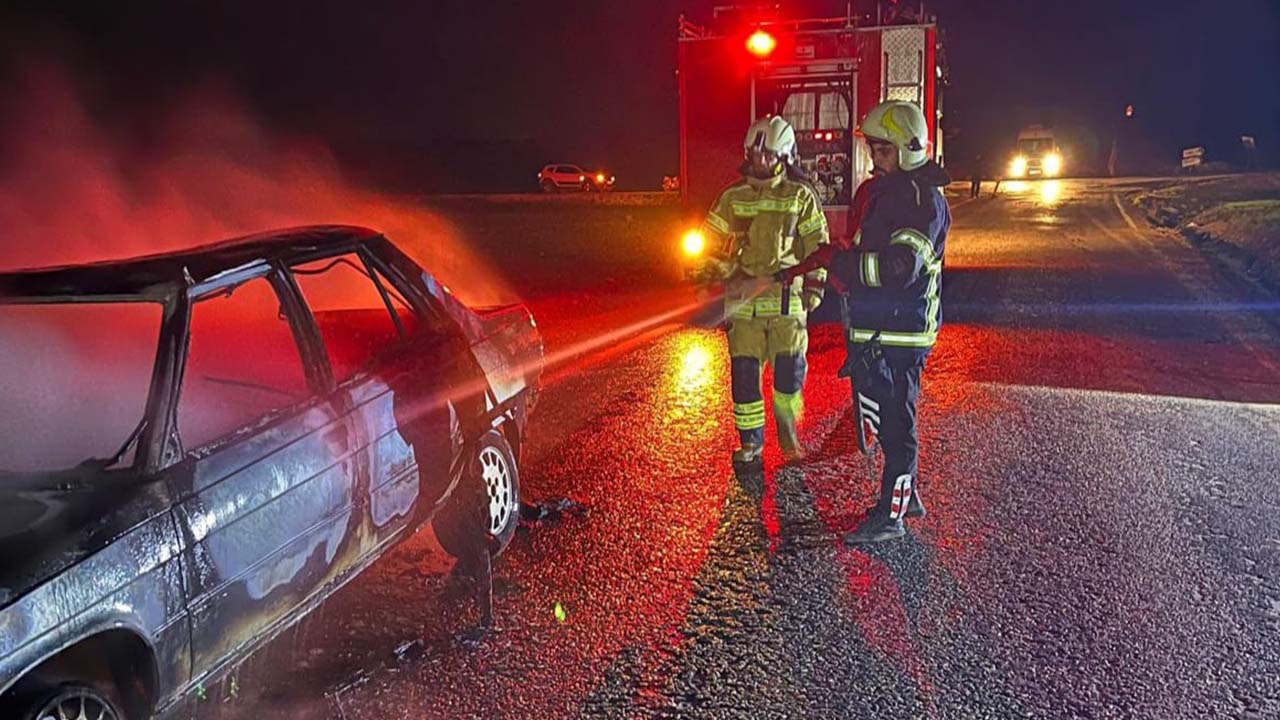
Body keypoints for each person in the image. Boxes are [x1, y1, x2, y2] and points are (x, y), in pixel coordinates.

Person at [831, 100, 951, 544]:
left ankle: (891, 517)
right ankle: (907, 493)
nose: (874, 160)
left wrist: (845, 266)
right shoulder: (893, 192)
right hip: (882, 329)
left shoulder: (923, 200)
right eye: (874, 151)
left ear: (907, 148)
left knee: (898, 425)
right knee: (887, 419)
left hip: (901, 334)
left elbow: (901, 267)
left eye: (882, 151)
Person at [695, 115, 830, 469]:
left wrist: (814, 288)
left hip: (787, 307)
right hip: (743, 308)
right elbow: (706, 242)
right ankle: (751, 444)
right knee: (744, 381)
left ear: (783, 156)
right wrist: (716, 268)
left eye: (767, 155)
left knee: (788, 380)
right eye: (754, 154)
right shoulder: (732, 198)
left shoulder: (800, 197)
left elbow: (819, 246)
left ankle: (788, 437)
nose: (759, 161)